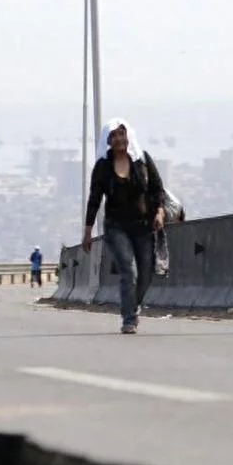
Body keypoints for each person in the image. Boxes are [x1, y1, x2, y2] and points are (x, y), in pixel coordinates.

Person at [83, 118, 166, 335]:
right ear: (108, 141)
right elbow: (94, 199)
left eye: (122, 134)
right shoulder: (102, 167)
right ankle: (128, 318)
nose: (119, 139)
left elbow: (157, 189)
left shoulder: (142, 160)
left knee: (146, 274)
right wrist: (88, 231)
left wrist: (158, 212)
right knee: (129, 271)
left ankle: (134, 306)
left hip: (143, 225)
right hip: (116, 226)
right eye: (114, 136)